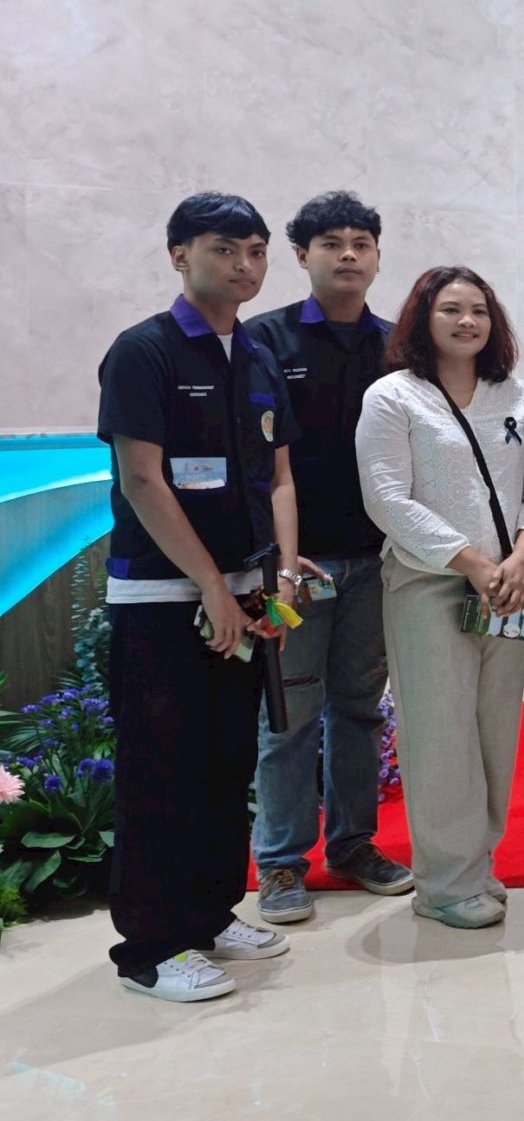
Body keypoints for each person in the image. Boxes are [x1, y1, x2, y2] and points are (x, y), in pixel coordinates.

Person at [96, 193, 300, 1001]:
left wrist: (279, 574)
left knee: (226, 762)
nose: (243, 266)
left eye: (255, 251)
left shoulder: (255, 356)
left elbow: (278, 474)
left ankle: (211, 913)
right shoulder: (142, 353)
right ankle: (149, 946)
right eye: (224, 249)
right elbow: (142, 479)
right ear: (179, 254)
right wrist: (210, 585)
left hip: (249, 595)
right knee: (161, 768)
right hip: (160, 598)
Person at [357, 267, 524, 927]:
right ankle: (445, 884)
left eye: (479, 310)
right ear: (424, 318)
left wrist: (522, 555)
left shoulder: (517, 395)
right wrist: (472, 561)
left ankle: (478, 864)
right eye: (451, 310)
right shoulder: (393, 397)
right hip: (430, 584)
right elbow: (387, 497)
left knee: (494, 729)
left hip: (510, 587)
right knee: (439, 732)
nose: (467, 321)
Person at [245, 192, 414, 924]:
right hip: (295, 569)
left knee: (359, 710)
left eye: (361, 243)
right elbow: (253, 463)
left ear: (377, 256)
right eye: (332, 243)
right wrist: (273, 559)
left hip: (378, 563)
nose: (348, 255)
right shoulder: (262, 342)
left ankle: (353, 844)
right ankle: (281, 864)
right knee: (287, 713)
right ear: (302, 255)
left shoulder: (400, 346)